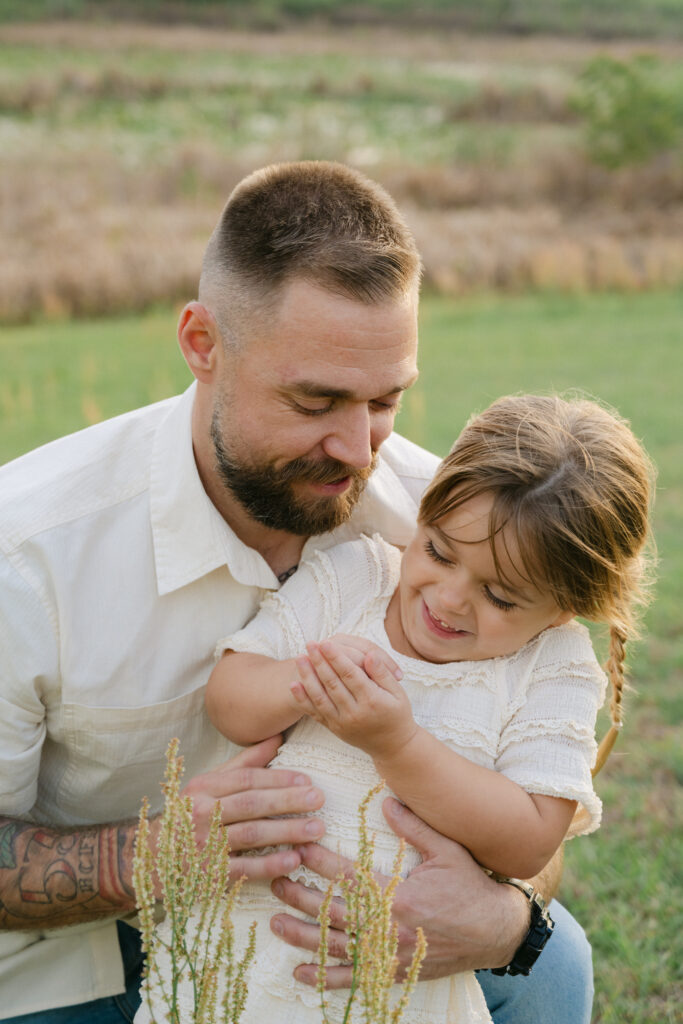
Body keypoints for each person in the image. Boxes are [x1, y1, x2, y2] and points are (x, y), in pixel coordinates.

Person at [0, 161, 591, 1023]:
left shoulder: (445, 537)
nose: (358, 448)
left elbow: (532, 811)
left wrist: (499, 915)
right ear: (203, 344)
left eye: (385, 400)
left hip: (335, 920)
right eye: (315, 400)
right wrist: (153, 856)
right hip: (72, 957)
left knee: (550, 962)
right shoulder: (28, 556)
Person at [136, 393, 653, 1024]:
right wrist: (307, 682)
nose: (451, 598)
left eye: (499, 595)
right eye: (437, 552)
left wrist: (397, 744)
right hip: (252, 942)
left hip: (408, 978)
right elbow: (231, 702)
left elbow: (528, 843)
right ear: (424, 514)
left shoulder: (554, 666)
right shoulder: (356, 578)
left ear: (565, 607)